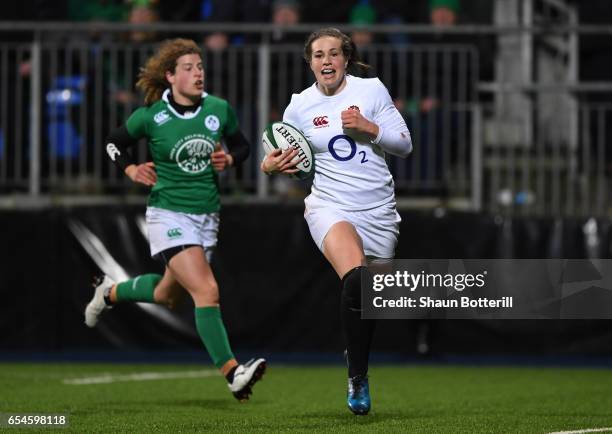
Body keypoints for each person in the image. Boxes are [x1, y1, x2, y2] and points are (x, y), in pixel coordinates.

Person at [84, 38, 266, 402]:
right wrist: (132, 167)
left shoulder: (218, 109)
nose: (198, 73)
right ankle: (233, 373)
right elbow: (112, 143)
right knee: (207, 290)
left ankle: (109, 292)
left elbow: (243, 145)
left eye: (200, 67)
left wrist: (230, 159)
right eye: (189, 68)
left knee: (170, 296)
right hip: (168, 211)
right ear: (170, 76)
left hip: (207, 217)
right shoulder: (151, 116)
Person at [261, 28, 412, 415]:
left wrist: (370, 129)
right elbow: (285, 157)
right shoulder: (300, 106)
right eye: (318, 55)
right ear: (309, 62)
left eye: (333, 53)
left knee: (369, 301)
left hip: (379, 210)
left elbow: (405, 144)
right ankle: (358, 377)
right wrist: (270, 165)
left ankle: (356, 356)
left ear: (346, 58)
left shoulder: (371, 90)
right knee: (356, 279)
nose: (326, 61)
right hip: (331, 205)